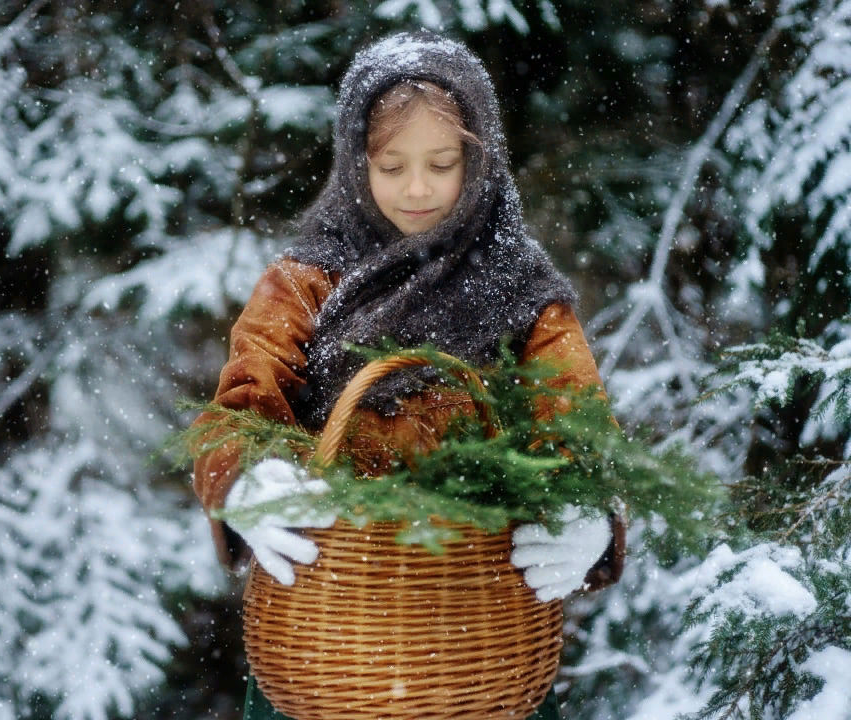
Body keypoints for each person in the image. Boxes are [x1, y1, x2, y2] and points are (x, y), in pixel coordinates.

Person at [192, 30, 625, 720]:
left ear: (479, 162)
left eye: (443, 162)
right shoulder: (305, 282)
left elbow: (576, 424)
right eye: (391, 166)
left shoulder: (521, 291)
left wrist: (590, 518)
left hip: (478, 646)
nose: (418, 189)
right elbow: (242, 406)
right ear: (353, 163)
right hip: (327, 647)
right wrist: (245, 479)